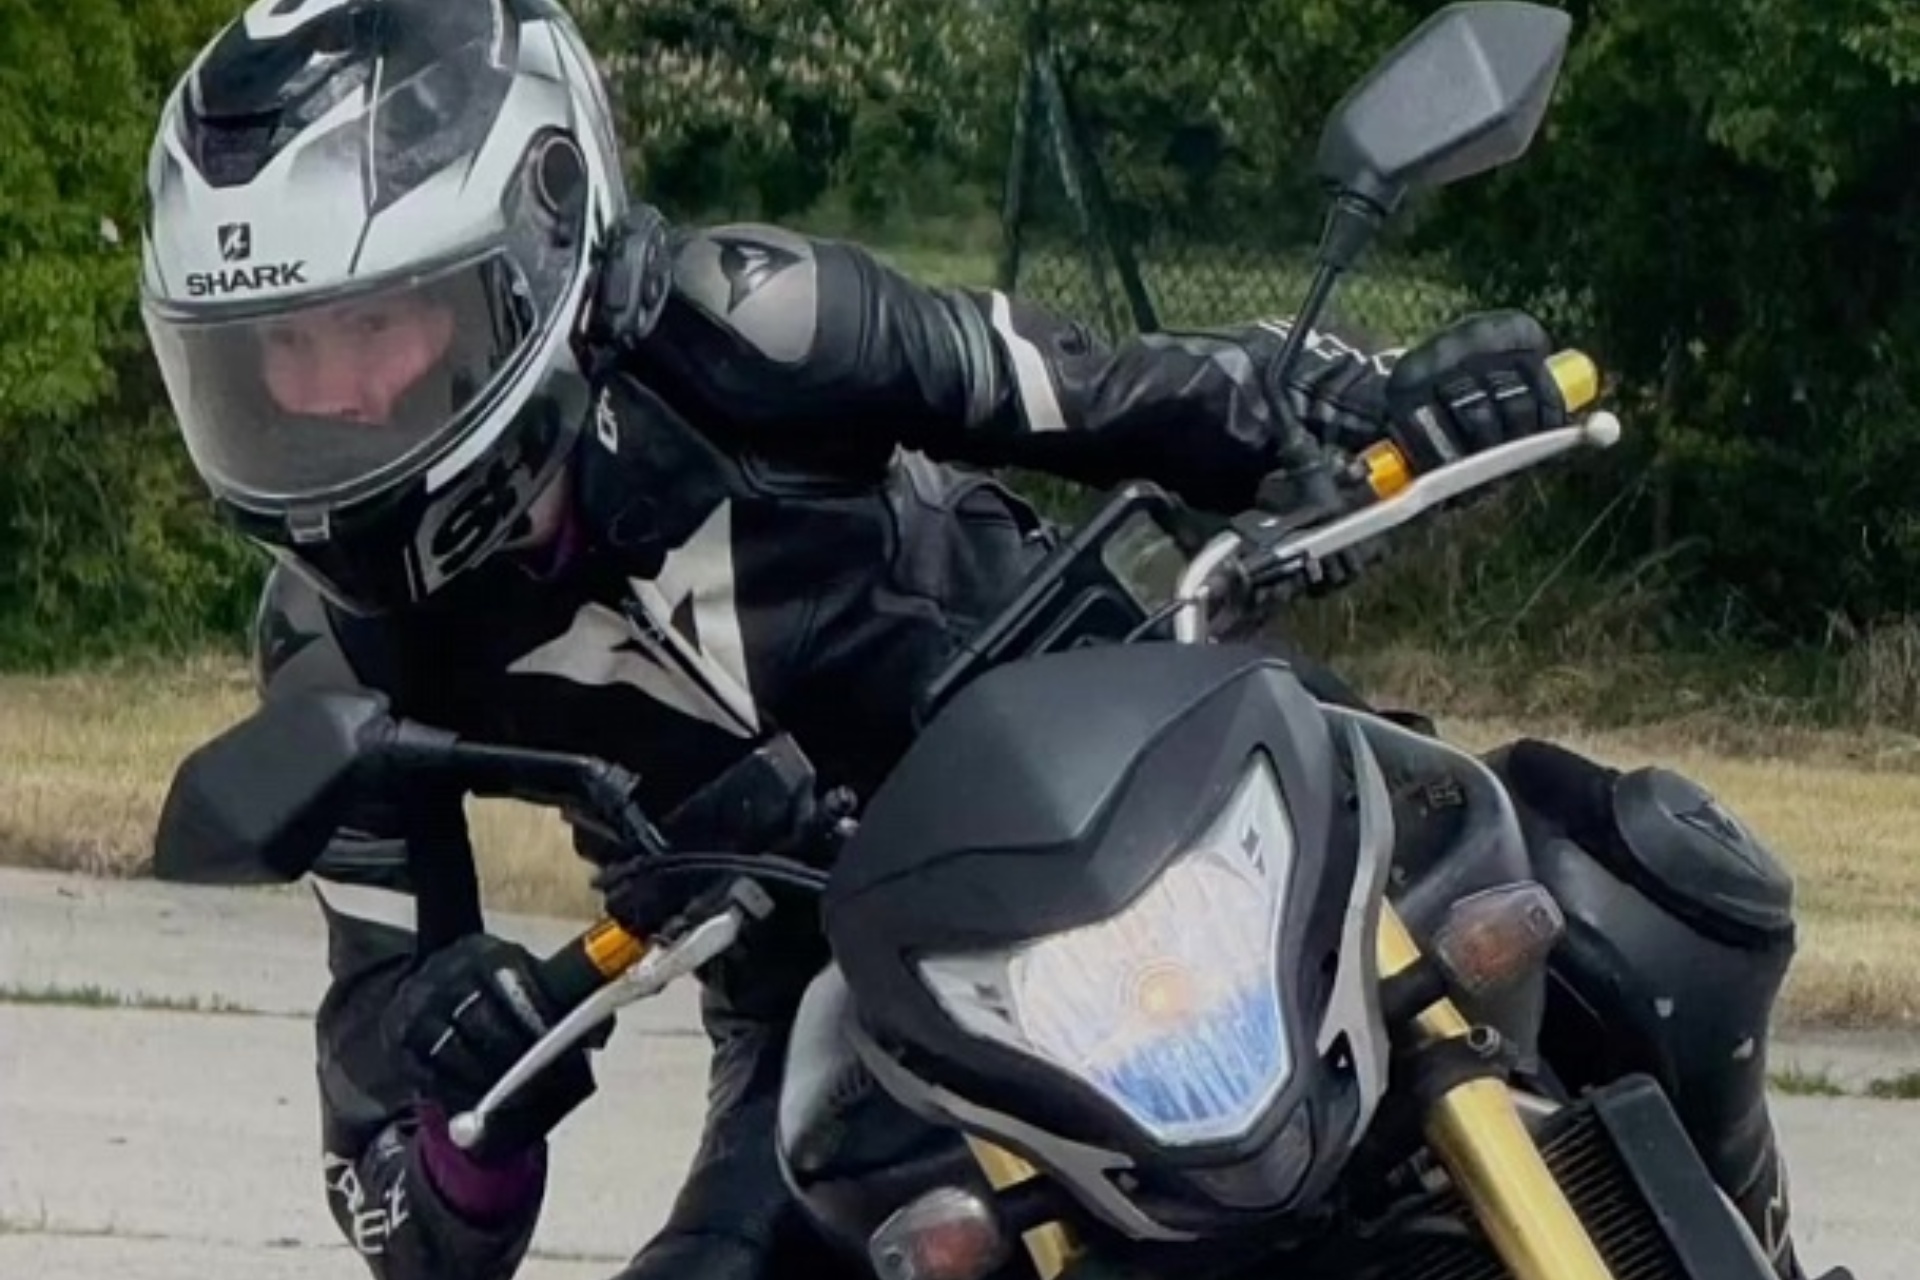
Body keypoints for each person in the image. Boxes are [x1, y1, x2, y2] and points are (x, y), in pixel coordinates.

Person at [137, 2, 1825, 1278]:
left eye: (379, 323)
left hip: (1172, 766)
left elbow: (1122, 390)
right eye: (284, 355)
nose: (334, 396)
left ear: (535, 247)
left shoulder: (753, 322)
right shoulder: (344, 666)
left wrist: (1389, 395)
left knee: (1637, 885)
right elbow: (401, 1199)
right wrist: (469, 1086)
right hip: (836, 995)